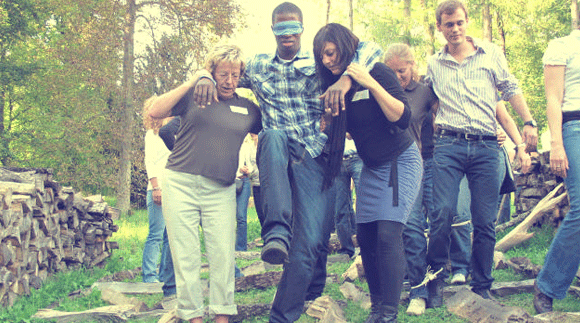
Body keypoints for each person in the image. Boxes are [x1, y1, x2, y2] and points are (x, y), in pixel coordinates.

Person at [192, 3, 383, 322]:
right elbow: (221, 67)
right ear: (272, 30)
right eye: (281, 28)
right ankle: (277, 231)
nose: (288, 35)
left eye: (293, 28)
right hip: (277, 152)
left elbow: (370, 48)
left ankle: (281, 317)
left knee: (309, 244)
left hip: (312, 156)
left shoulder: (319, 61)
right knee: (272, 135)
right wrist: (201, 74)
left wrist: (345, 82)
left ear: (302, 29)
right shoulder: (258, 65)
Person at [424, 0, 538, 307]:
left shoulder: (491, 55)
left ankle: (481, 285)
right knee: (442, 212)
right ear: (440, 27)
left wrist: (528, 121)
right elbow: (429, 101)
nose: (455, 29)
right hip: (448, 145)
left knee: (484, 220)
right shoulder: (434, 64)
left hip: (487, 145)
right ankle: (434, 281)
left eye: (460, 22)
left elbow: (510, 87)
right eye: (449, 24)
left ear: (467, 21)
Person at [314, 23, 422, 322]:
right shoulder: (336, 89)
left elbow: (402, 118)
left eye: (332, 53)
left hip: (399, 161)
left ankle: (389, 313)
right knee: (367, 236)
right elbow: (345, 132)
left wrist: (371, 85)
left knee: (388, 234)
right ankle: (376, 308)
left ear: (344, 47)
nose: (327, 61)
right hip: (372, 167)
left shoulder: (376, 71)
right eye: (321, 56)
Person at [148, 44, 262, 323]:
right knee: (185, 256)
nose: (229, 80)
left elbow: (270, 133)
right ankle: (193, 317)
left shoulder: (249, 109)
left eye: (235, 75)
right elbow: (154, 111)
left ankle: (222, 316)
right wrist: (195, 79)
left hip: (221, 189)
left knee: (223, 256)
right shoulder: (196, 94)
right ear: (212, 72)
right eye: (223, 73)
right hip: (180, 184)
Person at [384, 43, 437, 316]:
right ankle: (411, 288)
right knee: (403, 229)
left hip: (421, 164)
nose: (397, 77)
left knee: (427, 223)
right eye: (391, 72)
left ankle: (427, 286)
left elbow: (446, 117)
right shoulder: (379, 92)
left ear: (413, 66)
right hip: (389, 168)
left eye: (401, 71)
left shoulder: (425, 92)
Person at [533, 25, 580, 314]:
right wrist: (556, 143)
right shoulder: (561, 45)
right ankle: (547, 285)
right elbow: (552, 98)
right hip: (574, 126)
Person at [142, 97, 176, 297]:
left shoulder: (172, 131)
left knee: (169, 235)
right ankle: (148, 274)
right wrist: (156, 187)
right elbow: (150, 162)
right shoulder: (151, 135)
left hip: (173, 189)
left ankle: (164, 274)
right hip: (157, 188)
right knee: (155, 234)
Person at [333, 136, 363, 258]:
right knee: (339, 208)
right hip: (337, 160)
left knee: (364, 205)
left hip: (358, 157)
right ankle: (346, 250)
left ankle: (366, 247)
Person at [235, 137, 254, 252]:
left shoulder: (246, 145)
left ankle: (241, 249)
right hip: (229, 182)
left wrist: (248, 170)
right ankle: (226, 247)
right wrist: (238, 168)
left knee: (241, 217)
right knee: (227, 217)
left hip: (244, 182)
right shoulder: (225, 142)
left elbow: (251, 165)